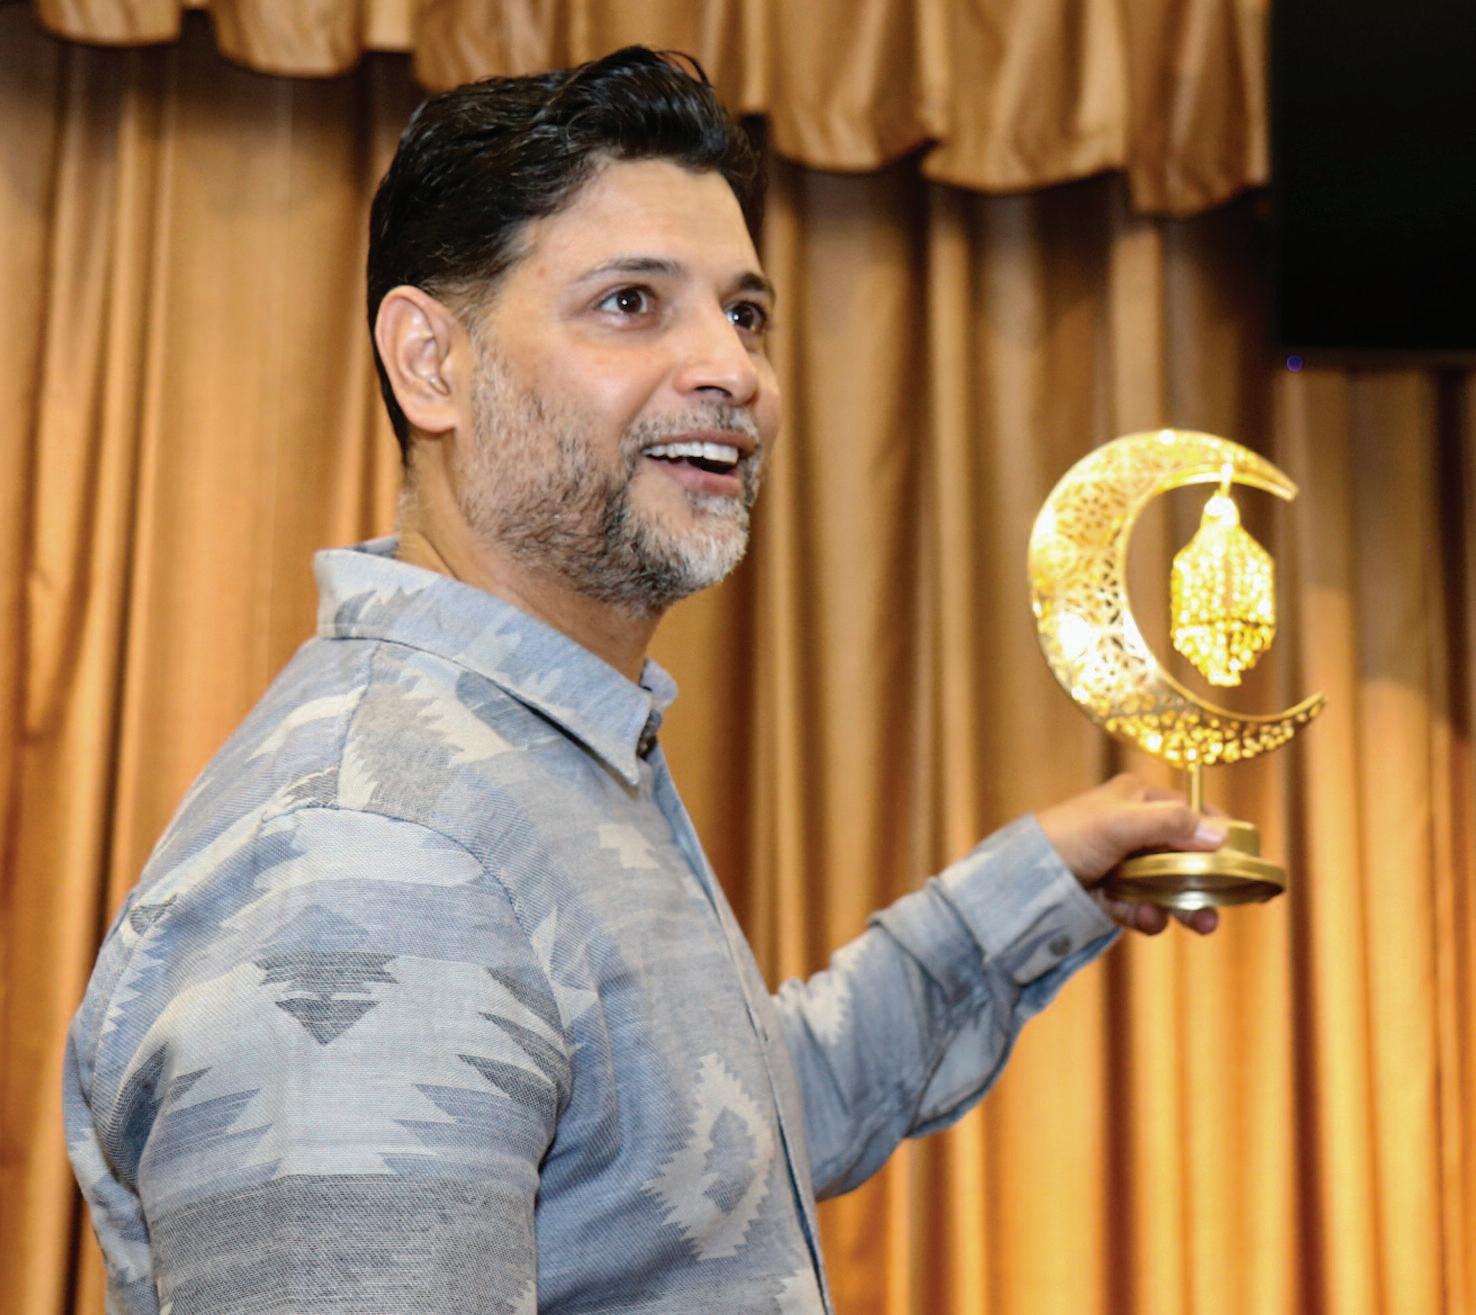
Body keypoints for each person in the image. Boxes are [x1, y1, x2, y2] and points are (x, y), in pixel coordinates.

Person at [63, 47, 1225, 1315]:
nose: (734, 371)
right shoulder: (368, 862)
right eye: (631, 302)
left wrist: (1035, 888)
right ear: (430, 362)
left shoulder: (532, 760)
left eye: (745, 313)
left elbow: (712, 1146)